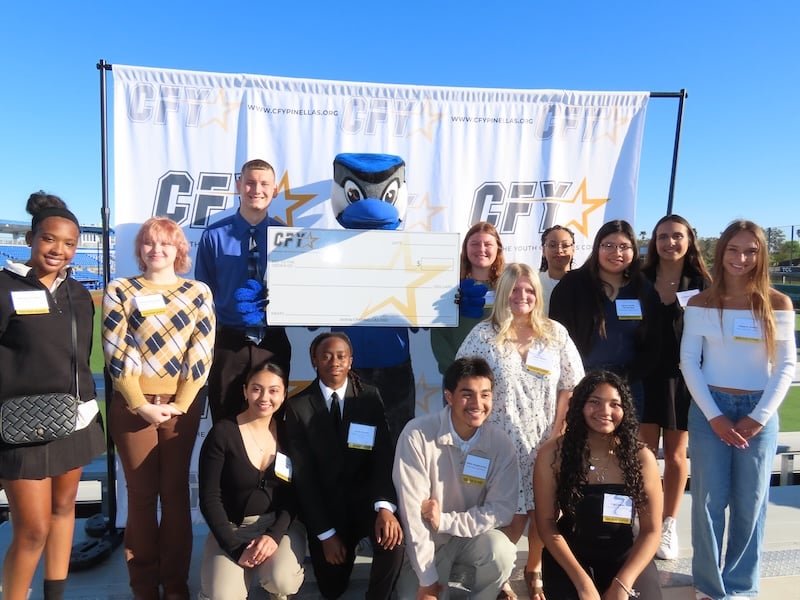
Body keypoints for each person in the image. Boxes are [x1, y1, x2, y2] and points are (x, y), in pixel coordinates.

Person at [680, 220, 796, 600]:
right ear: (721, 252)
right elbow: (689, 363)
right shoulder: (700, 302)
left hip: (758, 410)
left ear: (761, 256)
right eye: (733, 250)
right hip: (708, 408)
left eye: (750, 251)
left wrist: (757, 417)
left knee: (751, 503)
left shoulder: (778, 303)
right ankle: (710, 588)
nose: (741, 258)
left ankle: (741, 589)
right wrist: (714, 415)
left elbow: (785, 367)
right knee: (708, 503)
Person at [102, 216, 216, 600]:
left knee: (175, 493)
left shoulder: (198, 292)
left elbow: (200, 353)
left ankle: (176, 583)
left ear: (179, 249)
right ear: (139, 249)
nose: (157, 249)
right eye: (149, 243)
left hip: (180, 409)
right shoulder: (121, 289)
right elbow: (116, 351)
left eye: (166, 243)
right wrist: (139, 404)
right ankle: (144, 584)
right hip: (132, 408)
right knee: (141, 496)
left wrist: (180, 404)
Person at [457, 262, 584, 600]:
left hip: (547, 439)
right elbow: (461, 382)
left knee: (543, 510)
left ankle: (534, 567)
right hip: (500, 440)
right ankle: (501, 574)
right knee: (508, 511)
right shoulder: (484, 335)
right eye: (514, 290)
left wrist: (560, 430)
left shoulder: (555, 333)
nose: (522, 296)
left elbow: (571, 386)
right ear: (503, 294)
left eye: (529, 290)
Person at [0, 192, 105, 600]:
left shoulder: (79, 294)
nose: (58, 250)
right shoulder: (5, 286)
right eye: (49, 239)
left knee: (65, 513)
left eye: (69, 243)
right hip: (21, 426)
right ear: (30, 238)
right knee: (33, 529)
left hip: (73, 421)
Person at [284, 332, 404, 599]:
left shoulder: (369, 397)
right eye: (326, 355)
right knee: (331, 588)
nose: (334, 361)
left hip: (365, 504)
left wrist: (385, 507)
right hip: (327, 511)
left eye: (341, 356)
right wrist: (325, 534)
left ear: (351, 360)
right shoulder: (297, 406)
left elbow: (382, 456)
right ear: (314, 360)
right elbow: (304, 478)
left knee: (395, 542)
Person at [393, 356, 519, 600]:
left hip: (470, 540)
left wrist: (447, 521)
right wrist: (427, 580)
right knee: (415, 594)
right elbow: (412, 515)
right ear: (449, 397)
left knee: (502, 551)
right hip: (426, 543)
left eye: (485, 394)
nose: (477, 403)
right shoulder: (417, 434)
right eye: (467, 394)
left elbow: (501, 511)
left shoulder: (501, 444)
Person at [533, 370, 664, 600]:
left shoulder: (641, 458)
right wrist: (582, 582)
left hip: (626, 555)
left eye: (615, 404)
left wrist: (622, 585)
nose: (605, 411)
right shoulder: (553, 454)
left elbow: (652, 530)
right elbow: (546, 524)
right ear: (579, 406)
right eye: (595, 402)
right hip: (570, 555)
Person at [198, 362, 305, 600]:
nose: (265, 397)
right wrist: (234, 547)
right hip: (232, 528)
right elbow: (209, 497)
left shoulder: (289, 433)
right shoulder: (223, 433)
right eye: (257, 389)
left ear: (284, 393)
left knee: (282, 580)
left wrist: (274, 536)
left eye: (274, 390)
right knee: (222, 596)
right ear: (245, 391)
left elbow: (294, 495)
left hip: (277, 527)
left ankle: (278, 593)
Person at [195, 158, 292, 422]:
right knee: (226, 420)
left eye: (264, 184)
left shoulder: (287, 238)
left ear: (274, 190)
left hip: (273, 342)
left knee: (272, 422)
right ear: (239, 185)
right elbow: (205, 296)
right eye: (249, 183)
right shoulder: (213, 236)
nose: (256, 189)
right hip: (229, 343)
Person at [640, 214, 711, 560]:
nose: (670, 242)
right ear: (654, 241)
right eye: (663, 236)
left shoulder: (703, 282)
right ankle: (644, 520)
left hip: (684, 379)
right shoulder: (638, 279)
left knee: (676, 455)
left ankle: (668, 524)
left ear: (689, 240)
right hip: (641, 377)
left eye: (677, 236)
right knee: (642, 453)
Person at [549, 219, 661, 419]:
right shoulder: (572, 286)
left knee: (621, 448)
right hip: (580, 384)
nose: (616, 253)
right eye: (608, 245)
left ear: (633, 251)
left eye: (623, 247)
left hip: (627, 387)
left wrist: (625, 379)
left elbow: (653, 345)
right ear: (597, 248)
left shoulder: (644, 290)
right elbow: (556, 337)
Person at [430, 221, 505, 377]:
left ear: (498, 248)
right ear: (465, 248)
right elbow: (439, 334)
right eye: (475, 244)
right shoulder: (449, 288)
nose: (481, 249)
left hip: (500, 374)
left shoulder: (510, 288)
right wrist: (454, 371)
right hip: (460, 376)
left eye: (488, 244)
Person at [538, 225, 575, 315]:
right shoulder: (534, 283)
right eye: (552, 245)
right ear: (543, 250)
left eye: (565, 245)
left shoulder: (584, 283)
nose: (559, 250)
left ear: (573, 249)